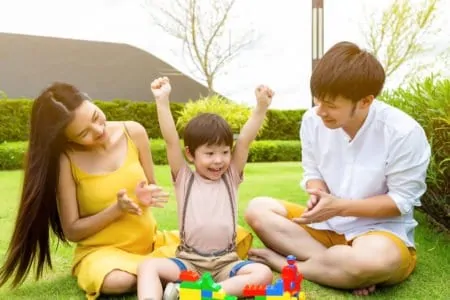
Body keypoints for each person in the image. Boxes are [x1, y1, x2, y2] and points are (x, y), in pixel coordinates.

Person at [244, 41, 431, 296]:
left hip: (380, 234)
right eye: (318, 100)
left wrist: (339, 206)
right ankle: (338, 269)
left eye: (331, 105)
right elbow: (313, 172)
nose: (320, 111)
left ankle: (293, 266)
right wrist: (318, 194)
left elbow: (401, 200)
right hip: (326, 227)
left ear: (365, 101)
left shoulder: (403, 132)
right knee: (258, 209)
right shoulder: (312, 121)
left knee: (372, 261)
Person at [0, 82, 179, 300]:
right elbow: (72, 230)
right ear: (67, 138)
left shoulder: (134, 132)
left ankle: (159, 271)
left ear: (91, 102)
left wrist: (147, 194)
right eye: (84, 132)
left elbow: (150, 184)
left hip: (151, 244)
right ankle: (164, 272)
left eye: (95, 117)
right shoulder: (66, 160)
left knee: (221, 240)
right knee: (120, 281)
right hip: (103, 255)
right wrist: (116, 209)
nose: (98, 130)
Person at [136, 77, 274, 300]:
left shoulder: (230, 177)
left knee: (262, 273)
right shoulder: (184, 178)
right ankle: (192, 291)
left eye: (225, 152)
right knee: (147, 268)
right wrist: (162, 101)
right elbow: (171, 141)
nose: (218, 160)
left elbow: (245, 141)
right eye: (209, 154)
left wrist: (261, 108)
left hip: (225, 264)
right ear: (190, 154)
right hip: (188, 263)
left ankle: (201, 294)